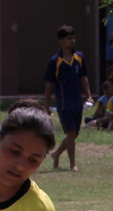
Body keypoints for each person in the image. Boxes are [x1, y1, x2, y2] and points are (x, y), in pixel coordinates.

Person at [43, 25, 92, 171]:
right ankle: (73, 165)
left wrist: (88, 95)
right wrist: (46, 105)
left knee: (74, 134)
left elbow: (84, 78)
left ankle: (56, 154)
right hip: (64, 104)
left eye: (73, 38)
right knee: (70, 133)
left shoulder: (79, 57)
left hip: (77, 102)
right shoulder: (54, 61)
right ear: (61, 41)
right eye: (68, 38)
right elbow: (49, 85)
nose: (72, 41)